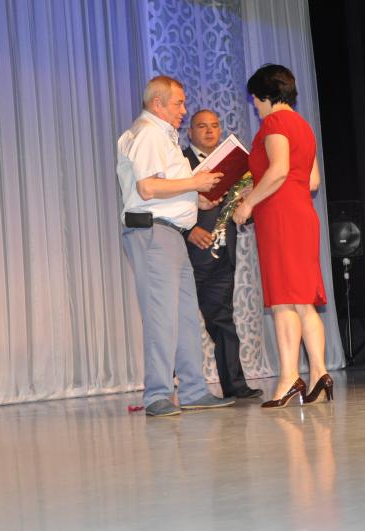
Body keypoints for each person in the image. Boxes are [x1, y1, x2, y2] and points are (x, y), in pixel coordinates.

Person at [116, 75, 235, 416]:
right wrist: (195, 183)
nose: (184, 110)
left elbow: (165, 187)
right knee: (161, 317)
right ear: (158, 104)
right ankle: (157, 394)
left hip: (171, 234)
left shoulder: (162, 135)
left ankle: (194, 390)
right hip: (154, 233)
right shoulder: (148, 133)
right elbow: (147, 188)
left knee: (184, 317)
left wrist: (197, 198)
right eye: (178, 103)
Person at [232, 64, 332, 407]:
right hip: (302, 213)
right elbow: (312, 181)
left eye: (255, 100)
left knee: (283, 300)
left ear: (265, 95)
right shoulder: (303, 125)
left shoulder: (275, 123)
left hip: (280, 216)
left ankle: (289, 377)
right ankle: (320, 374)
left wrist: (248, 203)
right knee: (303, 300)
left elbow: (278, 170)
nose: (255, 107)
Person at [182, 109, 263, 399]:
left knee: (224, 322)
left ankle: (235, 386)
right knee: (177, 324)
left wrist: (247, 204)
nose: (209, 131)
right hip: (185, 258)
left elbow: (243, 215)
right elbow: (166, 209)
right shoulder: (179, 163)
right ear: (189, 132)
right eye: (201, 126)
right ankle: (171, 390)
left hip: (222, 258)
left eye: (214, 126)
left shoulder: (234, 166)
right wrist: (188, 230)